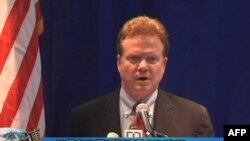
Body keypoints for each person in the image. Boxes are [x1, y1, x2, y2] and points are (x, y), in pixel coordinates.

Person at [69, 15, 214, 137]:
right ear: (119, 62)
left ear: (164, 65)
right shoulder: (84, 119)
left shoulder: (194, 118)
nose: (143, 66)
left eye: (152, 59)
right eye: (135, 58)